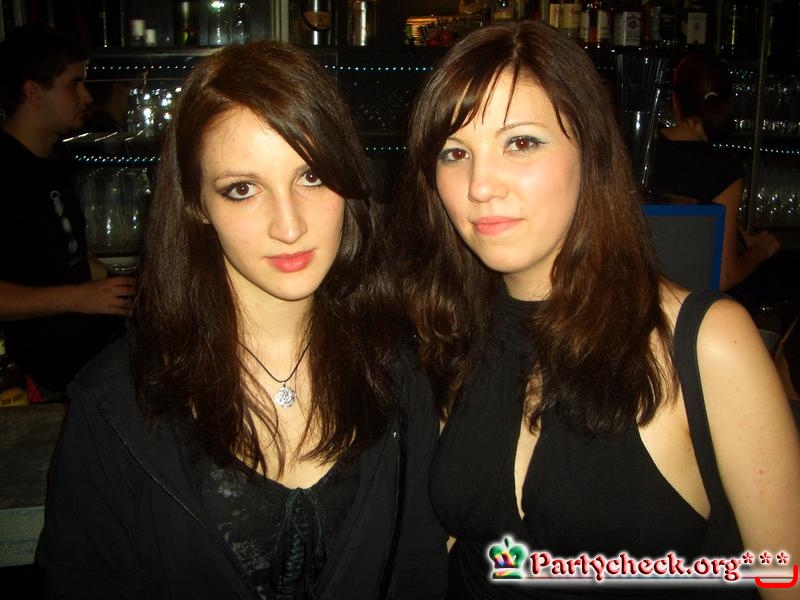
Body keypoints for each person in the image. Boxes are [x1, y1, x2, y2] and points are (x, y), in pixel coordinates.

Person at [395, 20, 800, 599]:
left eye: (520, 143)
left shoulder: (705, 344)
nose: (480, 185)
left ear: (591, 150)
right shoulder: (451, 330)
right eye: (455, 153)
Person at [36, 41, 448, 599]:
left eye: (311, 176)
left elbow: (417, 570)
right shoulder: (115, 403)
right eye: (243, 189)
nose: (289, 226)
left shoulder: (398, 369)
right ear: (197, 205)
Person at [0, 25, 134, 394]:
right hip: (30, 376)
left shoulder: (55, 157)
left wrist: (116, 279)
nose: (86, 96)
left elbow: (59, 253)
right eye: (73, 84)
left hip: (81, 355)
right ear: (34, 92)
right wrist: (81, 297)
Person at [649, 53, 779, 292]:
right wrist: (762, 249)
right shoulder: (723, 169)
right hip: (686, 303)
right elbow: (724, 276)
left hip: (632, 293)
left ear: (675, 101)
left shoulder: (641, 151)